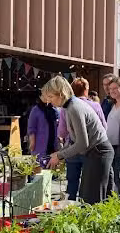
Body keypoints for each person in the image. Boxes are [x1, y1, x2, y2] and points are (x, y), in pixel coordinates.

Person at [42, 76, 113, 205]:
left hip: (98, 152)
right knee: (91, 199)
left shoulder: (74, 107)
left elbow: (82, 143)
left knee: (91, 201)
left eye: (51, 97)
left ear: (61, 94)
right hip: (96, 152)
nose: (49, 101)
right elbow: (75, 141)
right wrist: (58, 154)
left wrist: (59, 155)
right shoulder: (69, 107)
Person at [56, 78, 107, 200]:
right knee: (88, 184)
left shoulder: (67, 107)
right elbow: (104, 127)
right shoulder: (95, 105)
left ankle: (71, 208)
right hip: (91, 150)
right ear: (86, 90)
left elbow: (61, 132)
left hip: (73, 149)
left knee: (72, 183)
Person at [27, 90, 59, 164]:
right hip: (40, 143)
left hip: (53, 143)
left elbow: (58, 125)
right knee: (39, 166)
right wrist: (32, 141)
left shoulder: (54, 110)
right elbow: (31, 127)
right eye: (44, 95)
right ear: (40, 97)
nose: (46, 97)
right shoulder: (35, 110)